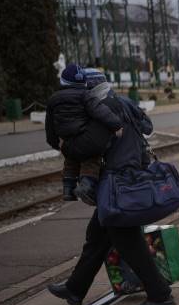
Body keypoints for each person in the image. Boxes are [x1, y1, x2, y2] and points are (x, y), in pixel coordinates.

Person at [47, 88, 175, 305]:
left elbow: (89, 145)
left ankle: (160, 294)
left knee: (127, 241)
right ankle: (75, 288)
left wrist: (66, 145)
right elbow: (146, 127)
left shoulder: (104, 109)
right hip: (125, 176)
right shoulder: (122, 103)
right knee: (97, 236)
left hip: (117, 183)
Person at [45, 64, 123, 203]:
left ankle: (68, 190)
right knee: (92, 158)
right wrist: (117, 124)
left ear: (63, 82)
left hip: (67, 141)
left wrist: (55, 144)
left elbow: (49, 126)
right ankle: (87, 185)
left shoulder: (53, 99)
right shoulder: (85, 95)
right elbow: (101, 112)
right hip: (84, 136)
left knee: (71, 161)